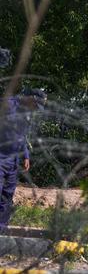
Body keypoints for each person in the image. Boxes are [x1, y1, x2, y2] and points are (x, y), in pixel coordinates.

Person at [0, 88, 44, 233]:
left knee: (7, 195)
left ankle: (2, 230)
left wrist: (26, 155)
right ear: (30, 98)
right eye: (36, 105)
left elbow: (22, 135)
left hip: (13, 161)